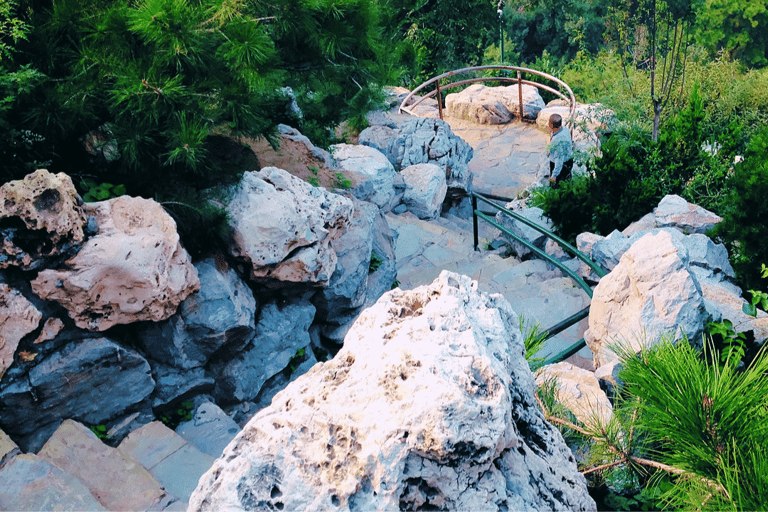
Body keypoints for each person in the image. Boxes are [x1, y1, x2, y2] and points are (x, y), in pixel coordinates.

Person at [547, 113, 573, 187]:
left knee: (558, 187)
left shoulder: (558, 141)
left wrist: (554, 175)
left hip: (561, 166)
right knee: (567, 181)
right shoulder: (565, 129)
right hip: (568, 160)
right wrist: (550, 149)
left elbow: (559, 160)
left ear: (551, 125)